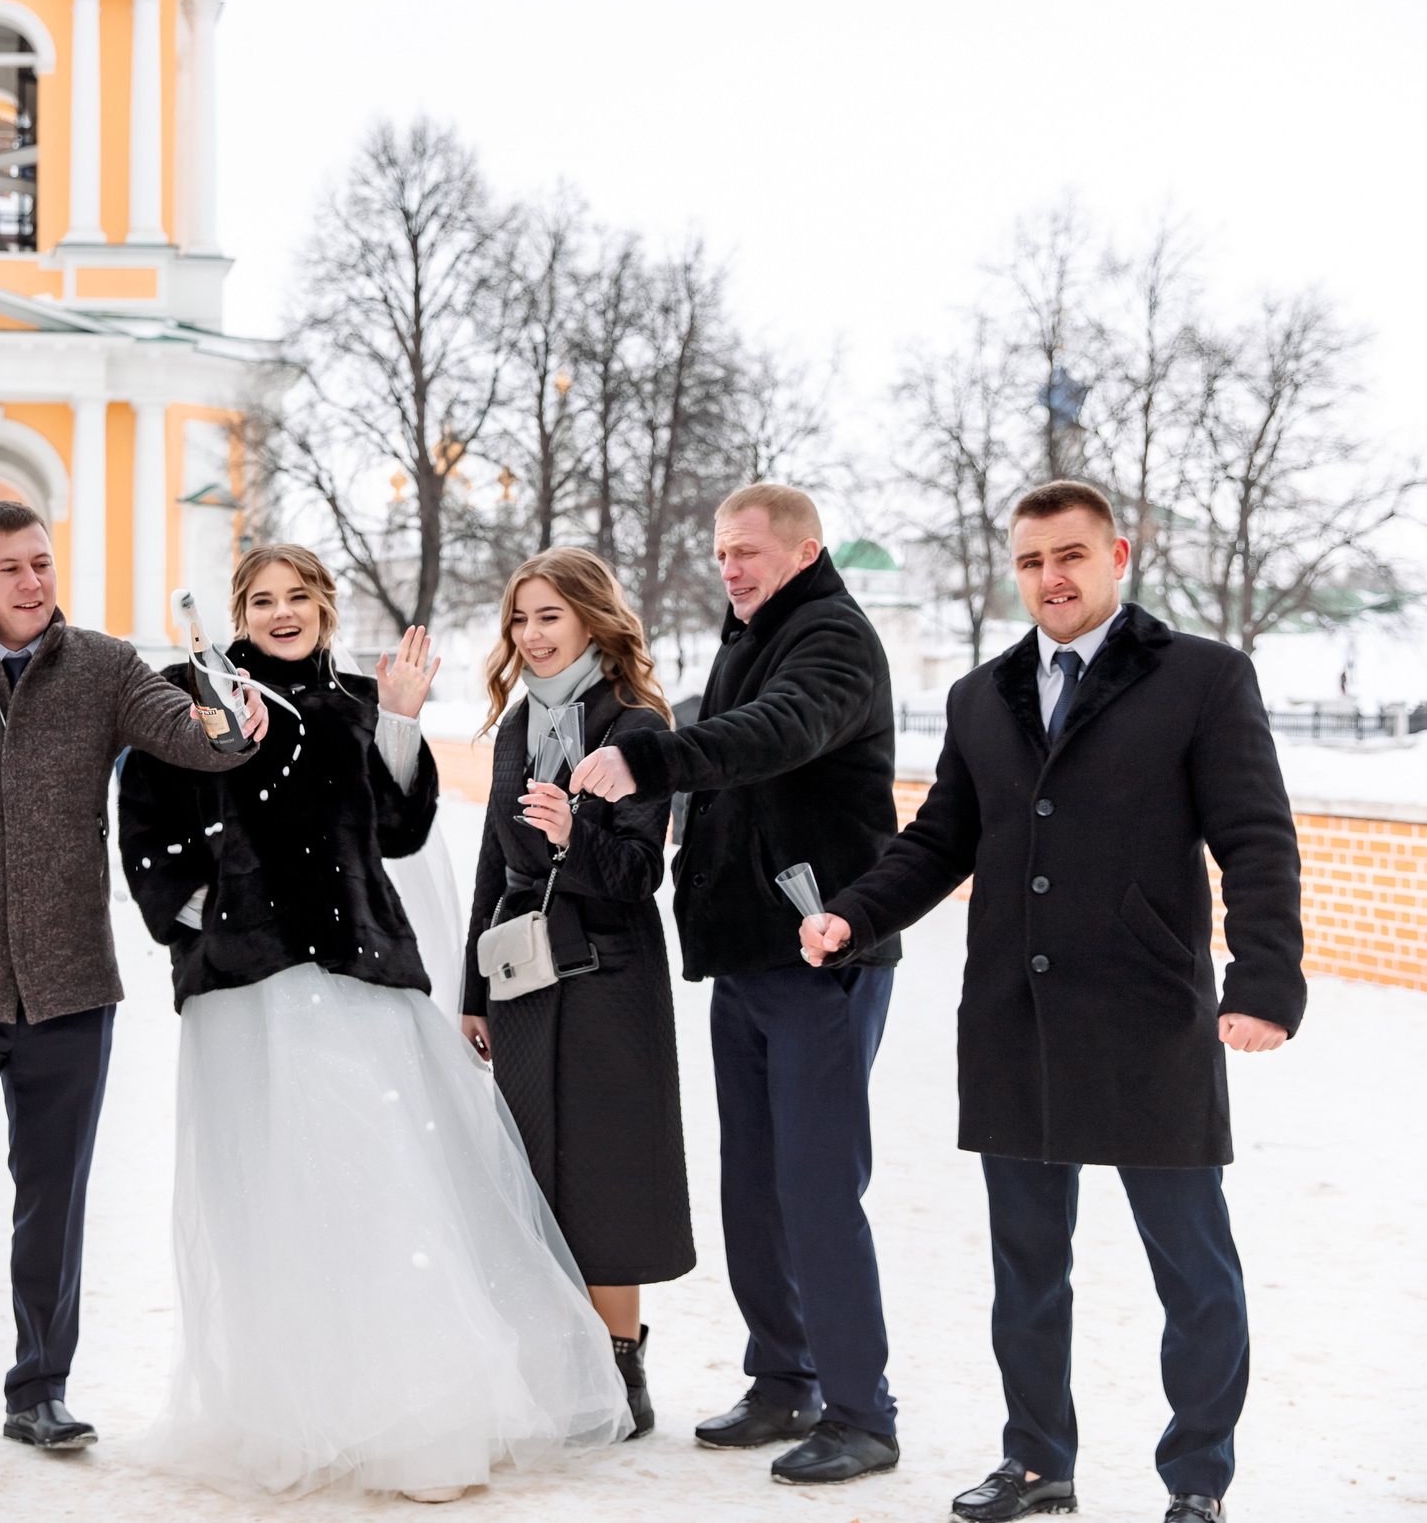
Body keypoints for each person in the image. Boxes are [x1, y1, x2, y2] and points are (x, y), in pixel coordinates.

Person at [801, 481, 1303, 1523]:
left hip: (1149, 1019)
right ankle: (1036, 1462)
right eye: (1031, 561)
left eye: (1070, 556)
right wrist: (853, 911)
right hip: (1012, 1021)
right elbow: (941, 838)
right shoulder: (981, 696)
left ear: (1117, 556)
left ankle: (1197, 1480)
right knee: (1026, 1268)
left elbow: (1255, 837)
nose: (1050, 578)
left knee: (1193, 1269)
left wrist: (1263, 981)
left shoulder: (1201, 677)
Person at [116, 546, 629, 1502]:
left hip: (359, 970)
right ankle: (301, 1411)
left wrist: (399, 719)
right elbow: (146, 828)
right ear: (238, 612)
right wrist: (209, 915)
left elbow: (400, 828)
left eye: (298, 597)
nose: (281, 613)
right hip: (245, 986)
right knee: (277, 1195)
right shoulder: (191, 699)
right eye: (261, 600)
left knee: (384, 1179)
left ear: (324, 606)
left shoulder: (358, 701)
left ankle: (417, 1413)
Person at [0, 498, 268, 1483]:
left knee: (53, 1197)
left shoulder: (106, 667)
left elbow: (193, 735)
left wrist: (229, 721)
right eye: (12, 568)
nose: (34, 581)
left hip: (70, 985)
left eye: (42, 562)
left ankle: (38, 1391)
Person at [568, 481, 903, 1486]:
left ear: (805, 552)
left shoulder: (832, 639)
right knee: (753, 1184)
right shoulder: (750, 637)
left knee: (816, 1187)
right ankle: (783, 1378)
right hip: (749, 954)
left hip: (820, 954)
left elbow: (777, 732)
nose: (730, 566)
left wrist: (651, 758)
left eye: (748, 550)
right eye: (721, 551)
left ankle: (861, 1412)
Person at [459, 548, 695, 1441]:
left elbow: (639, 873)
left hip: (609, 977)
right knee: (532, 1168)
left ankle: (621, 1361)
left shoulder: (636, 725)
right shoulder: (517, 725)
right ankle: (557, 1364)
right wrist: (473, 990)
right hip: (523, 979)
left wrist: (570, 838)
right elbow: (492, 861)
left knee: (608, 1169)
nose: (531, 634)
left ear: (593, 619)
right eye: (520, 618)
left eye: (549, 615)